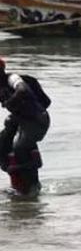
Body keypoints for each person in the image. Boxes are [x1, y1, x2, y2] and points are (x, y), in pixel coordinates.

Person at [0, 59, 50, 197]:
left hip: (37, 119)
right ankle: (17, 180)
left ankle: (32, 187)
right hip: (22, 120)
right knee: (3, 142)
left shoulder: (12, 78)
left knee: (20, 147)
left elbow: (22, 90)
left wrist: (11, 101)